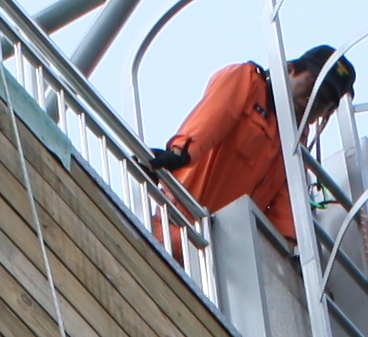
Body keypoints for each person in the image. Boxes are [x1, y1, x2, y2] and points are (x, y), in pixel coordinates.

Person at [144, 45, 353, 240]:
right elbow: (213, 117)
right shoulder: (249, 83)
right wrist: (180, 153)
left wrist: (291, 248)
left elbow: (286, 200)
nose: (313, 101)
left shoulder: (296, 141)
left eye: (324, 102)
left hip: (220, 252)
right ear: (290, 70)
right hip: (174, 224)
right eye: (311, 87)